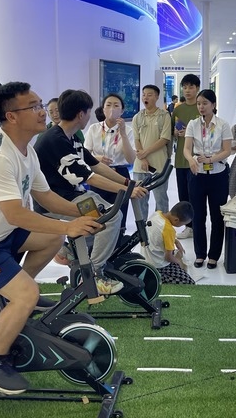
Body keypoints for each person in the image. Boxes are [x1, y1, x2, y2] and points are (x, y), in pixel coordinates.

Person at [0, 81, 102, 395]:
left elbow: (44, 195)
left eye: (41, 105)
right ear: (12, 116)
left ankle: (17, 297)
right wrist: (68, 226)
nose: (44, 112)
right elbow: (15, 214)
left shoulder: (26, 148)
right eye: (35, 107)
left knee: (50, 240)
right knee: (29, 290)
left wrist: (82, 213)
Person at [33, 89, 147, 293]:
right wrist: (127, 190)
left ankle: (72, 252)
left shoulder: (71, 137)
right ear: (80, 114)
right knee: (111, 218)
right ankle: (94, 274)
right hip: (58, 202)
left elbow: (95, 165)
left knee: (106, 215)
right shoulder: (55, 140)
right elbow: (90, 177)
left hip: (74, 195)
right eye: (88, 112)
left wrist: (129, 183)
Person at [183, 89, 232, 270]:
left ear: (213, 104)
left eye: (205, 103)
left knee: (217, 216)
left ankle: (214, 255)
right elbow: (187, 148)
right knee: (198, 216)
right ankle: (200, 254)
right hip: (197, 175)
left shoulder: (223, 125)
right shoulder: (193, 124)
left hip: (218, 174)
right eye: (199, 103)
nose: (201, 107)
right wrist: (190, 160)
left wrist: (211, 159)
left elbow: (227, 150)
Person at [84, 93, 136, 235]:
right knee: (98, 215)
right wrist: (96, 158)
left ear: (122, 110)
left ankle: (118, 243)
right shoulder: (94, 128)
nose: (112, 108)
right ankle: (96, 244)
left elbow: (131, 159)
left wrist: (123, 133)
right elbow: (85, 153)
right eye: (108, 105)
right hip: (98, 174)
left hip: (120, 174)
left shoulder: (128, 130)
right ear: (103, 109)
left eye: (116, 105)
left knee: (119, 215)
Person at [132, 84, 171, 221]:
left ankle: (160, 228)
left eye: (149, 95)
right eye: (144, 95)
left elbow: (164, 139)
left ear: (157, 97)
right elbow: (136, 139)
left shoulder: (164, 116)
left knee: (161, 199)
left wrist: (145, 152)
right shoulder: (137, 117)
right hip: (140, 166)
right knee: (140, 199)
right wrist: (142, 158)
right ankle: (142, 230)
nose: (145, 97)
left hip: (159, 166)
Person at [171, 74, 201, 239]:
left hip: (198, 159)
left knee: (196, 195)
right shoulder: (178, 109)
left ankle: (198, 225)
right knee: (183, 194)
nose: (187, 90)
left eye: (191, 87)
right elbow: (171, 132)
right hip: (181, 160)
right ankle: (188, 226)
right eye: (185, 87)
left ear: (197, 88)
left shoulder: (201, 108)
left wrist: (190, 135)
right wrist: (176, 133)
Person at [142, 201, 196, 284]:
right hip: (157, 265)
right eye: (182, 224)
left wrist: (176, 242)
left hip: (146, 257)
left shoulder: (157, 214)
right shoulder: (169, 230)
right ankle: (158, 277)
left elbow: (160, 234)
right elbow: (168, 257)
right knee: (189, 282)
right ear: (176, 220)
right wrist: (179, 262)